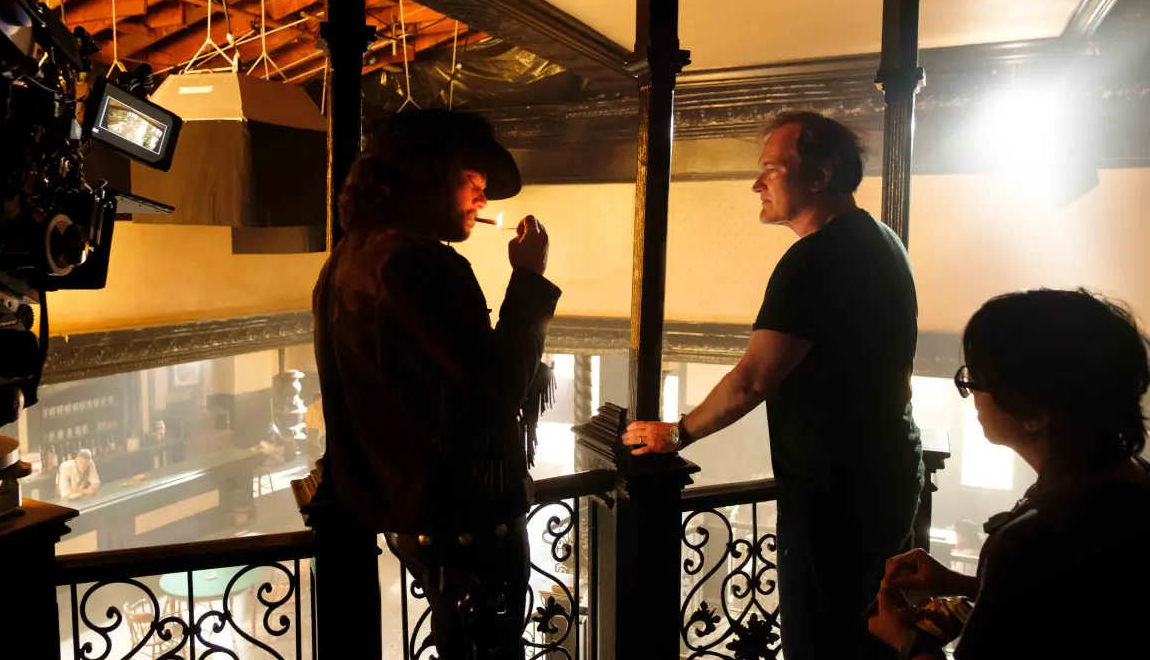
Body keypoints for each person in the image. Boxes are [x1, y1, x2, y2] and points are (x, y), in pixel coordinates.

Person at [623, 111, 923, 659]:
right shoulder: (883, 240)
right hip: (889, 474)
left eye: (771, 168)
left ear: (819, 176)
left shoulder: (815, 258)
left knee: (824, 644)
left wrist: (677, 434)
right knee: (871, 636)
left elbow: (752, 379)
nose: (756, 184)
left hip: (834, 496)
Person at [311, 109, 560, 659]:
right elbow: (498, 389)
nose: (482, 199)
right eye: (472, 181)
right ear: (427, 174)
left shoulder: (349, 259)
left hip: (418, 518)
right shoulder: (415, 264)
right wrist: (529, 279)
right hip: (466, 526)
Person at [869, 289, 1150, 659]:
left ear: (1036, 412)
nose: (971, 395)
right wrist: (967, 583)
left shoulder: (1032, 540)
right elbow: (1070, 601)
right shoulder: (1131, 479)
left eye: (975, 381)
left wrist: (905, 639)